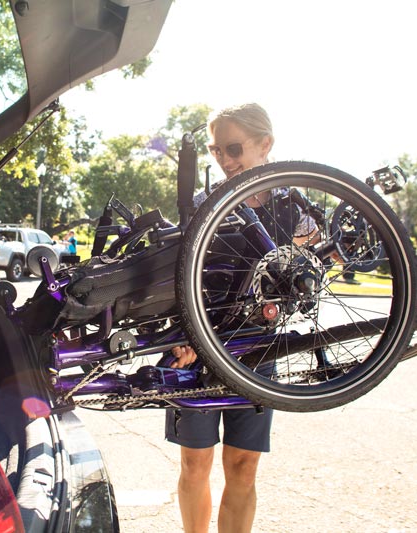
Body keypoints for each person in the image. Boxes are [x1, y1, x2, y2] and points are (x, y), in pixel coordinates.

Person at [164, 103, 279, 533]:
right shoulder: (201, 204)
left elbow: (314, 268)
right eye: (216, 151)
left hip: (259, 349)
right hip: (198, 345)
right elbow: (175, 274)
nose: (225, 160)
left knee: (243, 464)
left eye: (234, 148)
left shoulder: (292, 202)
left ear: (265, 145)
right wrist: (180, 334)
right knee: (195, 461)